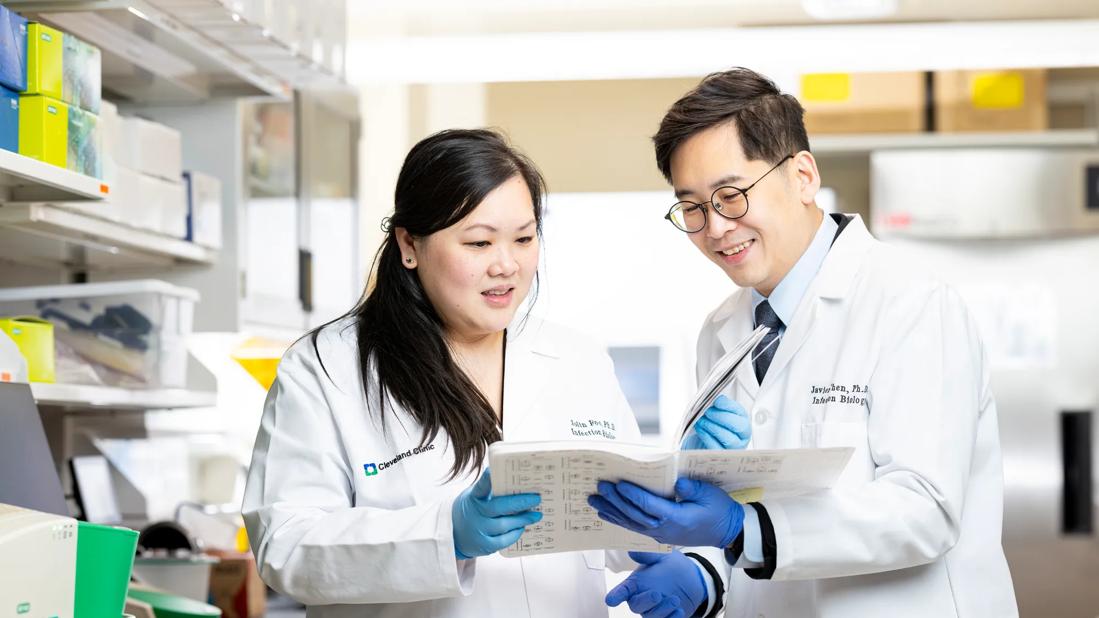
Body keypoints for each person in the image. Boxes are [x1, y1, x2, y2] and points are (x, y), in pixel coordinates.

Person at [241, 128, 726, 617]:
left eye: (524, 238)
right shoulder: (329, 368)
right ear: (409, 244)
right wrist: (447, 535)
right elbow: (285, 546)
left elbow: (617, 526)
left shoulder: (577, 359)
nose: (507, 265)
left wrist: (680, 505)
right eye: (478, 242)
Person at [589, 68, 1018, 618]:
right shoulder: (721, 330)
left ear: (803, 176)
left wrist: (743, 528)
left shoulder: (910, 305)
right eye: (692, 207)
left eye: (731, 195)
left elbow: (926, 509)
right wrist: (704, 572)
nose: (715, 228)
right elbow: (743, 519)